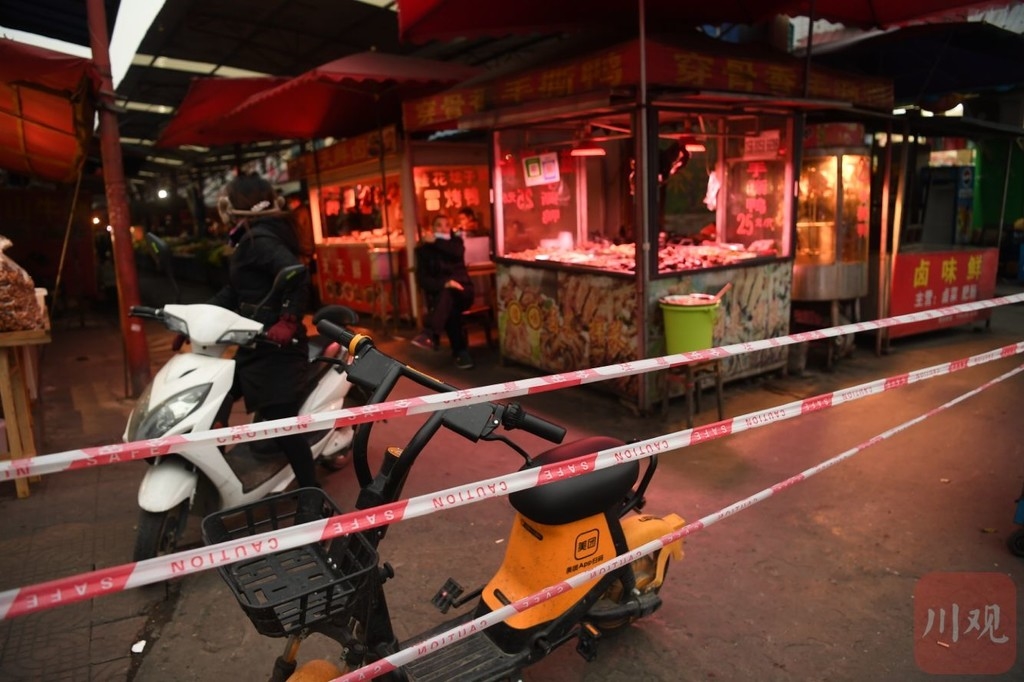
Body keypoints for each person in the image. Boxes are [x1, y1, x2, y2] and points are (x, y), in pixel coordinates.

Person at [203, 173, 322, 487]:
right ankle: (217, 479)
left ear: (235, 205)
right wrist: (195, 317)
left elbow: (296, 275)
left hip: (277, 351)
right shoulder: (252, 237)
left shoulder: (261, 239)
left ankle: (313, 497)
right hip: (254, 342)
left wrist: (288, 320)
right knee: (215, 397)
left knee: (284, 428)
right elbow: (235, 291)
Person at [412, 213, 475, 369]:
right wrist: (445, 284)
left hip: (463, 291)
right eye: (439, 225)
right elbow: (423, 280)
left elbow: (456, 252)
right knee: (449, 303)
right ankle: (461, 352)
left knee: (449, 298)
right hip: (441, 295)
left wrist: (436, 241)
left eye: (447, 225)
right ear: (432, 228)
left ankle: (430, 334)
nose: (443, 229)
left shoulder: (456, 243)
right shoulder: (423, 250)